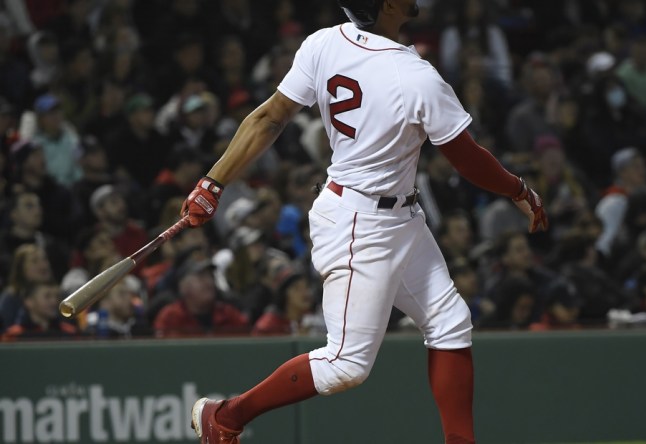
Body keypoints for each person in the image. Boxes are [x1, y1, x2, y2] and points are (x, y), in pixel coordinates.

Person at [180, 2, 548, 443]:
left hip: (393, 215)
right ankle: (227, 415)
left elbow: (268, 117)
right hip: (361, 223)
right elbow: (467, 158)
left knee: (449, 322)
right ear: (388, 5)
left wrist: (212, 182)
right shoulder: (415, 76)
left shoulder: (324, 42)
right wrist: (519, 190)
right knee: (346, 364)